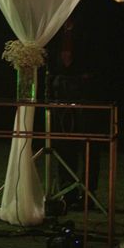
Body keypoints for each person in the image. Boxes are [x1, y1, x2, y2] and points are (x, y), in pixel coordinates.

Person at [49, 16, 102, 210]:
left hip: (85, 92)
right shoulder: (54, 31)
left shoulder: (87, 31)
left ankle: (89, 193)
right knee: (64, 144)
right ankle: (67, 192)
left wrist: (86, 76)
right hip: (61, 92)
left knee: (89, 144)